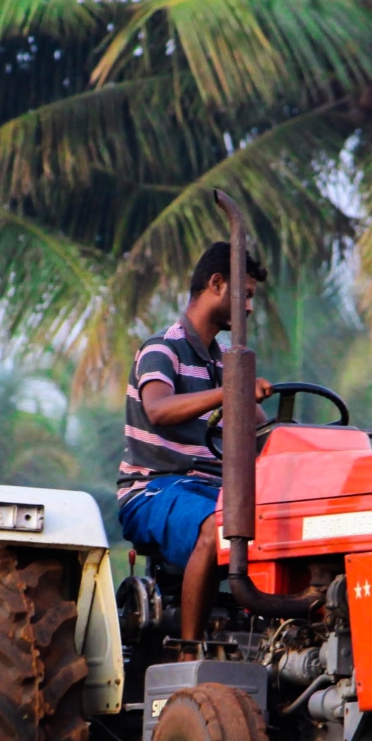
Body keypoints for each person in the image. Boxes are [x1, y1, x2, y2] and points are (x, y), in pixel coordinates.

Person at [117, 241, 272, 643]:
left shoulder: (224, 362)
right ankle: (190, 652)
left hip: (211, 488)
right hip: (154, 489)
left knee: (279, 522)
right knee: (216, 525)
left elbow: (260, 430)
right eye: (246, 296)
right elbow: (160, 409)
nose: (249, 309)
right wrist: (231, 390)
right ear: (217, 284)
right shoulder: (162, 348)